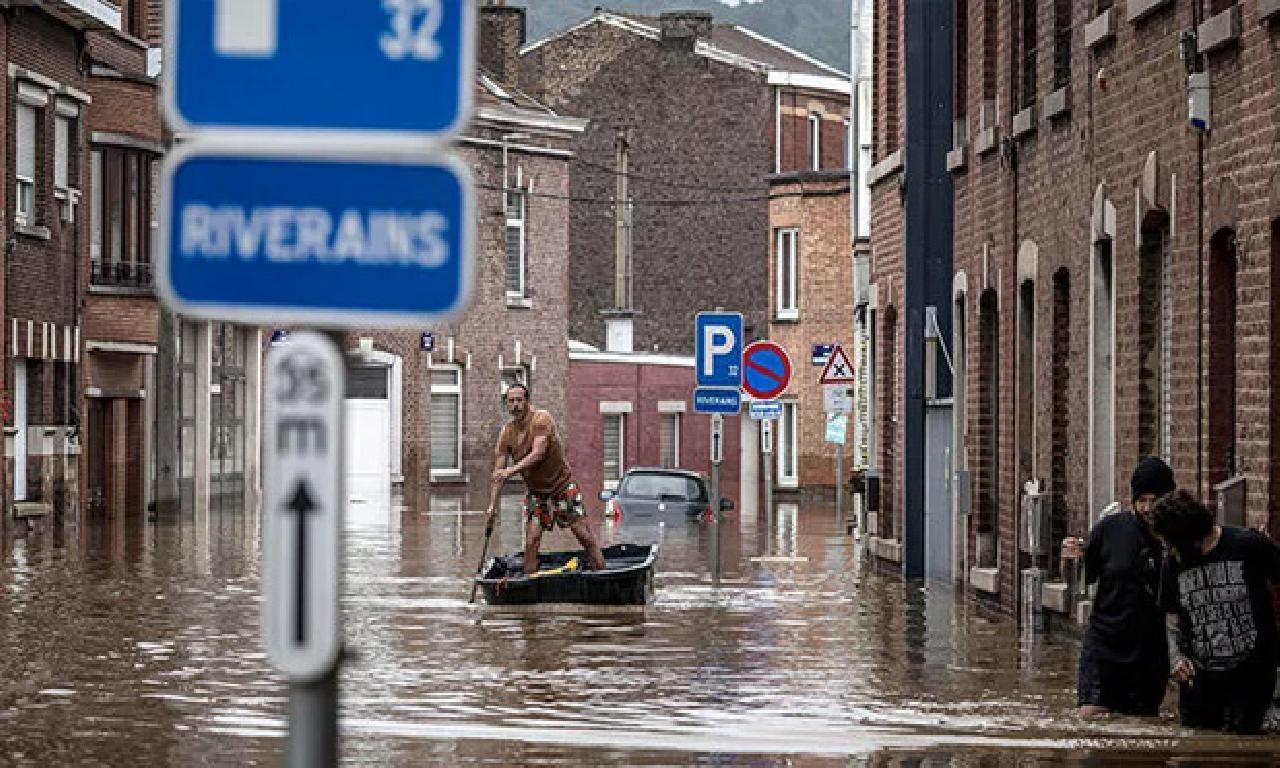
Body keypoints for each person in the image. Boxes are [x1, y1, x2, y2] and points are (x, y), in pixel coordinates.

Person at [1153, 489, 1280, 734]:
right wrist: (1175, 658)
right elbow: (1171, 614)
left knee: (1245, 743)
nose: (1171, 550)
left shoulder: (1248, 545)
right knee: (1196, 745)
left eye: (1172, 543)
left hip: (1252, 672)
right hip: (1198, 677)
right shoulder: (1173, 563)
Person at [1061, 456, 1174, 718]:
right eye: (1141, 500)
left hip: (1149, 648)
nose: (1147, 508)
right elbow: (1078, 581)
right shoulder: (1110, 530)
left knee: (1141, 723)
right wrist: (1069, 560)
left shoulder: (1175, 539)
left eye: (1154, 500)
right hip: (1105, 641)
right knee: (1090, 714)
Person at [487, 383, 607, 576]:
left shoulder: (542, 419)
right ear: (506, 404)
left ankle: (603, 575)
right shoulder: (506, 433)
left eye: (519, 400)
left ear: (527, 402)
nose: (515, 405)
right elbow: (497, 473)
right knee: (531, 540)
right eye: (511, 401)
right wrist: (492, 506)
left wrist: (510, 471)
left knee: (584, 536)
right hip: (537, 493)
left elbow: (538, 454)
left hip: (562, 486)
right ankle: (528, 585)